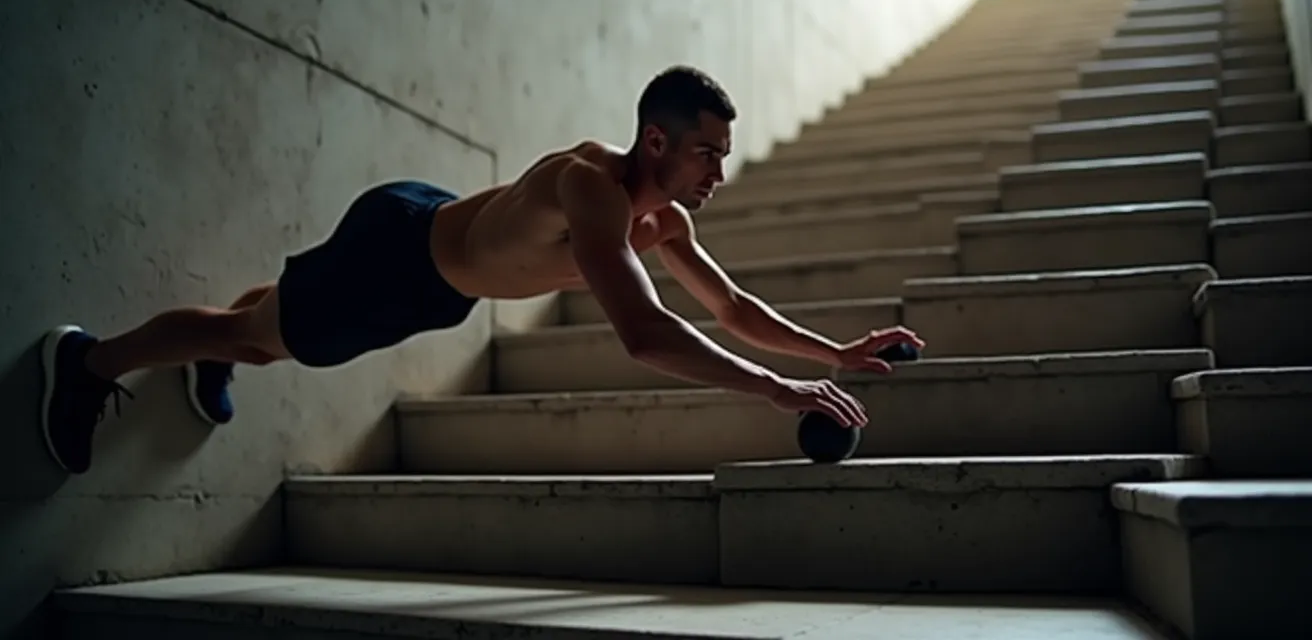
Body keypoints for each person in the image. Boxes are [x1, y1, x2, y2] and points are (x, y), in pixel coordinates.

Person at [38, 65, 925, 475]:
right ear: (656, 140)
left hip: (442, 274)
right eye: (706, 153)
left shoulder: (667, 220)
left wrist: (835, 354)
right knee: (257, 340)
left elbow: (728, 305)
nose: (717, 173)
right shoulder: (593, 191)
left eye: (723, 156)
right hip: (400, 257)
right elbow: (646, 333)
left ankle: (246, 325)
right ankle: (86, 362)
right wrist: (776, 390)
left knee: (275, 324)